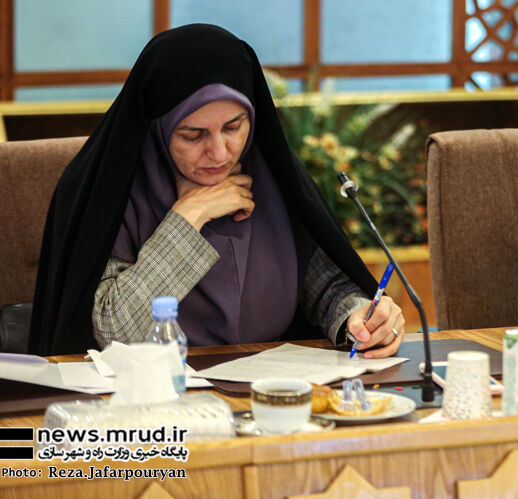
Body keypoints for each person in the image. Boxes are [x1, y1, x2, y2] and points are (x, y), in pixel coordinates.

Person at [29, 24, 405, 356]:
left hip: (266, 390)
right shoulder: (110, 194)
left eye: (233, 127)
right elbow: (115, 332)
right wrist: (188, 217)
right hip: (150, 394)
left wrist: (358, 317)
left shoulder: (273, 177)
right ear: (159, 128)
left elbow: (324, 286)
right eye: (193, 135)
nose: (220, 153)